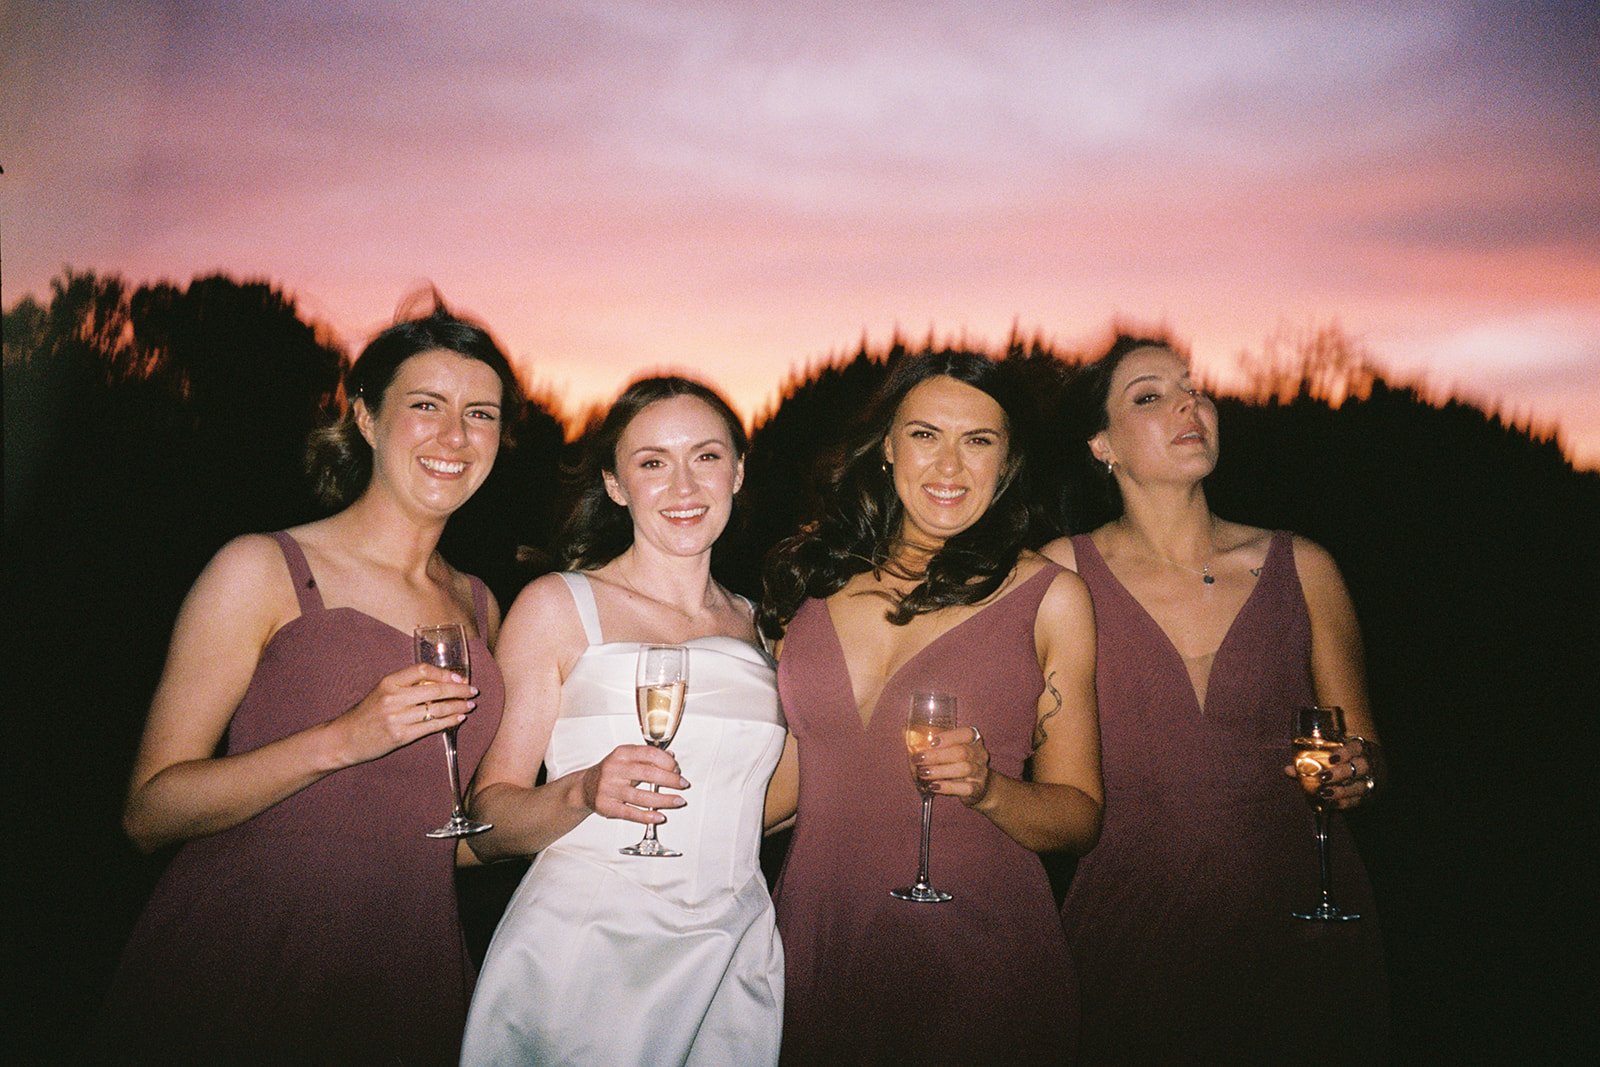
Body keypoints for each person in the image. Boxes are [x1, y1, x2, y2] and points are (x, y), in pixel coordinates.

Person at [92, 302, 519, 1063]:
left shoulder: (482, 607)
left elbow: (440, 835)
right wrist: (339, 739)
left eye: (479, 413)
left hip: (407, 977)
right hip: (244, 963)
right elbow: (147, 812)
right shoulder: (261, 568)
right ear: (364, 416)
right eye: (426, 405)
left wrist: (577, 809)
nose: (454, 435)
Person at [1041, 336, 1389, 1064]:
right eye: (1149, 395)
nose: (1187, 403)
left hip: (1302, 928)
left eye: (1192, 386)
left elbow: (1367, 749)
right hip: (1129, 938)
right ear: (1102, 445)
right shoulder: (1059, 572)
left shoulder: (1304, 565)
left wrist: (1360, 770)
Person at [761, 351, 1102, 1065]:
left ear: (1006, 461)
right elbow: (791, 785)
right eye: (925, 434)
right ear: (887, 447)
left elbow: (1079, 816)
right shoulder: (812, 589)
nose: (949, 464)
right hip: (818, 947)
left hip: (980, 960)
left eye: (978, 440)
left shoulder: (1049, 596)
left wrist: (990, 789)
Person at [460, 377, 785, 1066]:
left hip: (731, 952)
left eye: (706, 456)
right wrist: (578, 792)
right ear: (615, 484)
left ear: (739, 470)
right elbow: (486, 821)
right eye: (651, 462)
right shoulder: (556, 606)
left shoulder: (766, 627)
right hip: (585, 954)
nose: (683, 485)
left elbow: (775, 801)